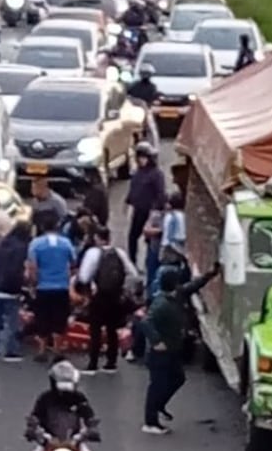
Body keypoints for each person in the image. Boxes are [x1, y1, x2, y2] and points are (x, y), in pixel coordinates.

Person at [141, 263, 220, 435]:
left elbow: (193, 286)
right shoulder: (161, 304)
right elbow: (146, 322)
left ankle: (158, 405)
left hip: (172, 349)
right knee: (157, 385)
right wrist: (156, 342)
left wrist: (210, 274)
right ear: (174, 284)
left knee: (178, 378)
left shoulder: (175, 296)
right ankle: (150, 421)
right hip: (160, 353)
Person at [23, 361, 98, 451]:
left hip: (74, 443)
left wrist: (91, 430)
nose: (65, 393)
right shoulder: (45, 398)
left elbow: (89, 416)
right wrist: (34, 430)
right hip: (48, 443)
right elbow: (35, 417)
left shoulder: (79, 398)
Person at [76, 225, 136, 374]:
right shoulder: (119, 253)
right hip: (115, 296)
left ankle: (93, 363)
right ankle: (111, 362)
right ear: (109, 238)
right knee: (112, 329)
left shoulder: (93, 253)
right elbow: (133, 274)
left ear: (97, 238)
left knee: (95, 329)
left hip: (99, 296)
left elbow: (84, 276)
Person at [26, 212, 77, 362]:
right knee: (59, 319)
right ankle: (57, 349)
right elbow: (73, 263)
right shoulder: (66, 243)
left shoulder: (36, 244)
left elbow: (33, 267)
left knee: (42, 318)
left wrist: (33, 283)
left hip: (43, 287)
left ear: (41, 227)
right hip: (61, 287)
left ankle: (41, 350)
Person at [0, 219, 30, 362]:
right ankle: (10, 351)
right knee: (12, 321)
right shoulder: (22, 247)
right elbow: (22, 268)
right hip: (11, 288)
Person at [126, 142, 167, 265]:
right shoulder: (138, 173)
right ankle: (132, 261)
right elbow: (134, 189)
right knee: (132, 236)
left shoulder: (156, 174)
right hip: (138, 210)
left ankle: (150, 264)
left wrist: (155, 210)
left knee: (150, 240)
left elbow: (161, 194)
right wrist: (129, 202)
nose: (141, 160)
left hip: (150, 212)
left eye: (144, 157)